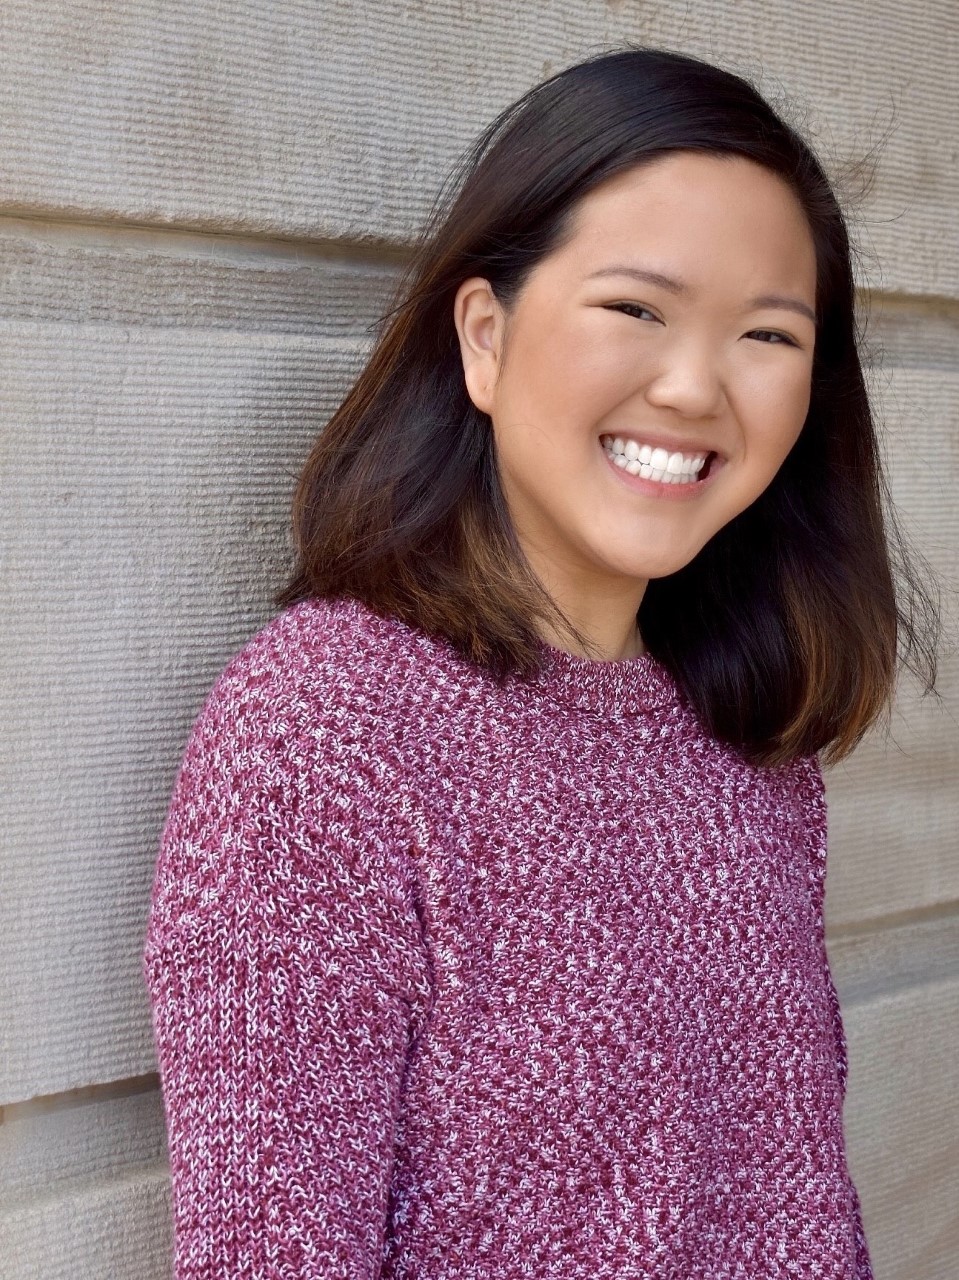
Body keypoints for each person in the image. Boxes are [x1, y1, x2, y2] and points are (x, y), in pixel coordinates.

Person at [142, 45, 940, 1279]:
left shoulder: (749, 740)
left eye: (766, 334)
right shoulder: (325, 727)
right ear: (482, 333)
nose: (692, 384)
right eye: (635, 308)